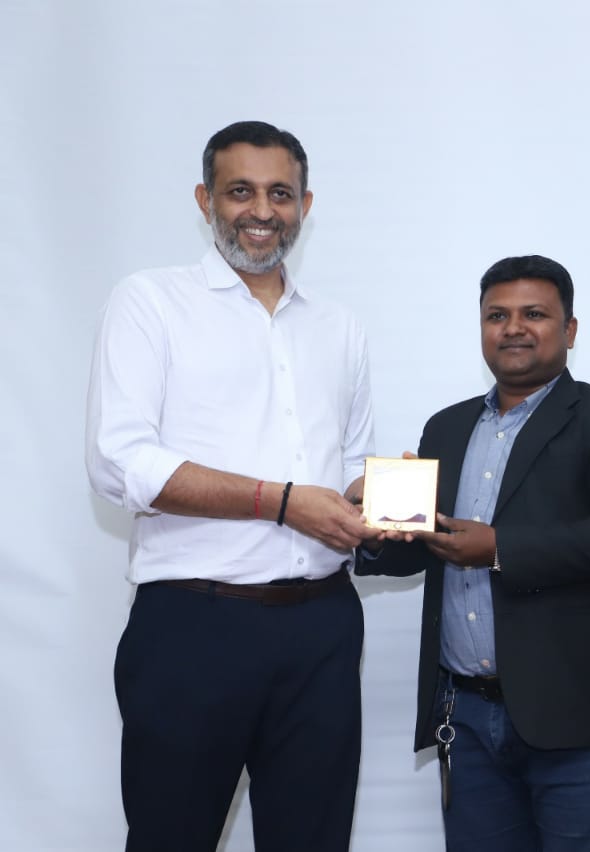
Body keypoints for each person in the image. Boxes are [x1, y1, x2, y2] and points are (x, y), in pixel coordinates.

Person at [85, 120, 376, 852]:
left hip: (324, 630)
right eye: (240, 190)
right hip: (193, 628)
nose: (261, 210)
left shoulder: (340, 328)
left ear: (306, 204)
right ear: (204, 198)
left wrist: (370, 498)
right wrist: (280, 500)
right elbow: (121, 462)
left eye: (280, 193)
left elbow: (348, 465)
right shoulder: (150, 301)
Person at [356, 254, 590, 852]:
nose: (513, 328)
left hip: (577, 720)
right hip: (465, 718)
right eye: (497, 315)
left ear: (569, 330)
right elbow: (426, 546)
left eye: (534, 314)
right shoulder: (445, 427)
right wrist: (371, 530)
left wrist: (499, 548)